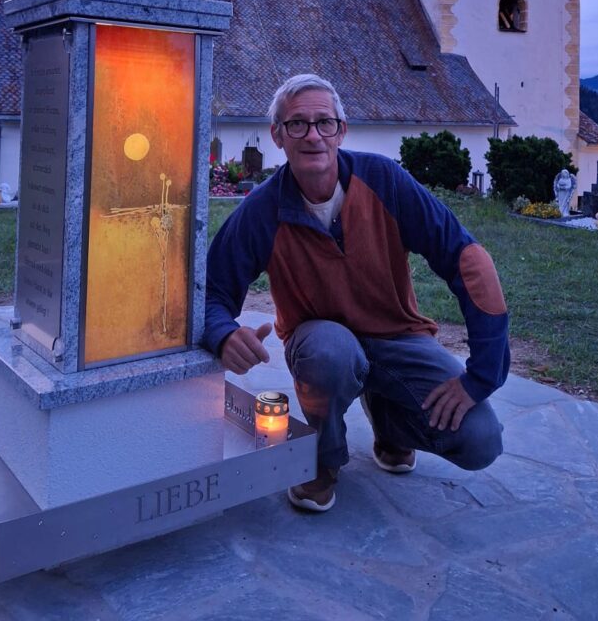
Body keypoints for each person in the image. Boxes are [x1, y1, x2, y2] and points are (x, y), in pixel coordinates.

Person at [204, 74, 509, 512]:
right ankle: (324, 463)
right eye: (297, 124)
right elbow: (213, 291)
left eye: (324, 123)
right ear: (277, 135)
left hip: (399, 338)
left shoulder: (384, 180)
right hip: (321, 341)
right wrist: (224, 334)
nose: (312, 135)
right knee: (330, 355)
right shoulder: (260, 211)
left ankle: (390, 426)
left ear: (341, 130)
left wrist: (480, 376)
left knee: (480, 439)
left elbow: (467, 260)